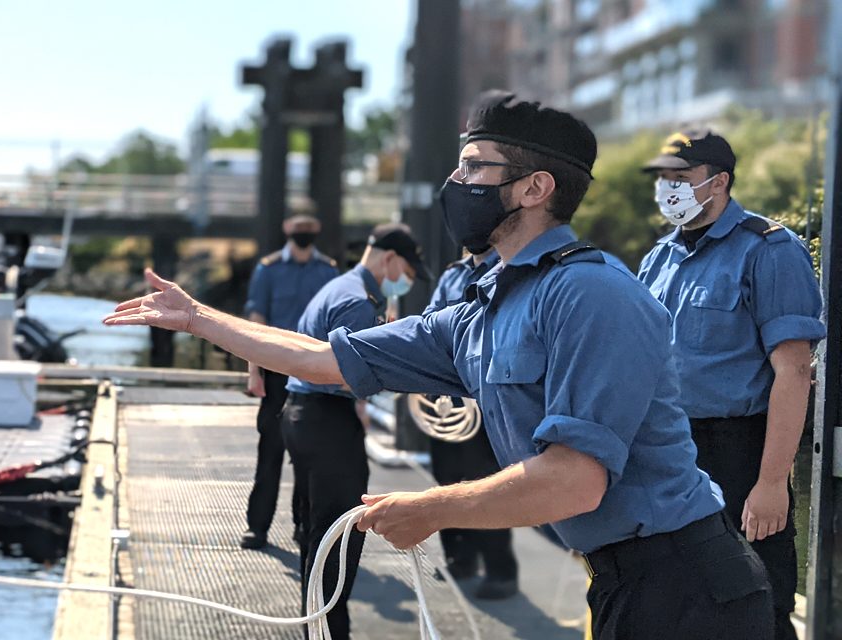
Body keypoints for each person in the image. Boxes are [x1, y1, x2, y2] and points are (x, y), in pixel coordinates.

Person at [105, 91, 775, 639]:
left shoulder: (591, 294)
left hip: (687, 587)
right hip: (623, 581)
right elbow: (325, 359)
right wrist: (198, 318)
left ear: (535, 188)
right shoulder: (484, 308)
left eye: (475, 167)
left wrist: (431, 508)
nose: (457, 184)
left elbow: (574, 481)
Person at [636, 129, 824, 640]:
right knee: (673, 602)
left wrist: (771, 482)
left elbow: (793, 372)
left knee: (755, 602)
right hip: (668, 449)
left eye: (680, 177)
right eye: (663, 177)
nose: (667, 188)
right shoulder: (658, 259)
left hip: (738, 451)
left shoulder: (768, 249)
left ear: (718, 182)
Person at [283, 222, 429, 638]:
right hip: (328, 422)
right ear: (390, 259)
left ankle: (316, 629)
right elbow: (352, 373)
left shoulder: (338, 286)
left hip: (301, 413)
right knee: (338, 539)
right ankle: (330, 632)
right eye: (407, 272)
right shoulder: (357, 303)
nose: (405, 281)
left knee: (316, 534)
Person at [420, 247, 519, 600]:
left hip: (485, 397)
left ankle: (499, 570)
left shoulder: (510, 269)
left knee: (487, 483)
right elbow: (429, 324)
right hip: (448, 402)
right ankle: (459, 558)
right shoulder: (452, 275)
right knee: (446, 478)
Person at [240, 212, 339, 550]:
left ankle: (303, 524)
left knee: (308, 456)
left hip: (314, 373)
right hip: (276, 370)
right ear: (286, 229)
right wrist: (253, 370)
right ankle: (257, 527)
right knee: (269, 452)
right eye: (298, 227)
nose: (303, 232)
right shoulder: (268, 269)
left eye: (308, 227)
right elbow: (256, 321)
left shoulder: (328, 271)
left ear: (317, 229)